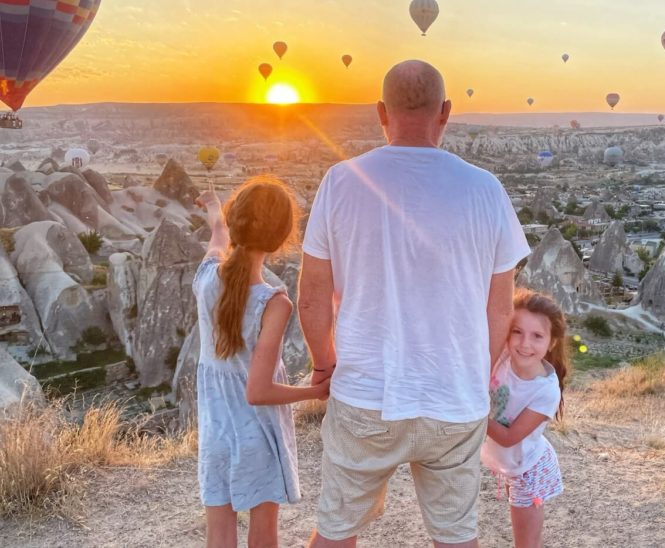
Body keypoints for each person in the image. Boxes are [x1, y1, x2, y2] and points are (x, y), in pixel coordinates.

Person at [299, 60, 531, 547]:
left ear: (380, 112)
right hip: (453, 399)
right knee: (455, 535)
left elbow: (312, 297)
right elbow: (499, 308)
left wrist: (324, 366)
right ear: (445, 112)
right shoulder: (486, 189)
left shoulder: (341, 181)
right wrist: (474, 370)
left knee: (336, 531)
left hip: (366, 393)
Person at [194, 177, 330, 548]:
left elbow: (219, 235)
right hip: (257, 435)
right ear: (282, 237)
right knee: (263, 536)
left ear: (237, 222)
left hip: (216, 432)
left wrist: (212, 206)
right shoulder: (274, 302)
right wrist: (312, 391)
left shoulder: (205, 279)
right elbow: (258, 391)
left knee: (219, 533)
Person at [481, 289, 568, 548]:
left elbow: (508, 438)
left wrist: (471, 409)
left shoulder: (545, 390)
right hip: (512, 464)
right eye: (517, 331)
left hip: (529, 470)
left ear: (551, 342)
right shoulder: (504, 356)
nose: (524, 343)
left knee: (526, 544)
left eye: (537, 336)